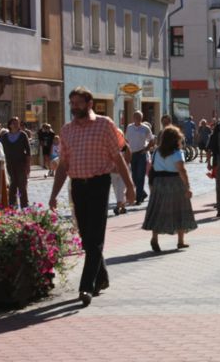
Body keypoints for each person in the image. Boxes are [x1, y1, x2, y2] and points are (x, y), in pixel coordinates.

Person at [49, 86, 135, 307]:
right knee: (87, 237)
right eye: (72, 103)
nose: (73, 106)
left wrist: (130, 186)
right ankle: (102, 277)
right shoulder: (67, 130)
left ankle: (85, 287)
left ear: (89, 104)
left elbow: (118, 158)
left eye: (78, 103)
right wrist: (53, 194)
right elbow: (63, 165)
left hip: (99, 184)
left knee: (95, 236)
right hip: (77, 185)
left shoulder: (104, 124)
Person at [142, 126, 197, 251]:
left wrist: (151, 184)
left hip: (159, 182)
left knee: (158, 209)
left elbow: (153, 169)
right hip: (175, 182)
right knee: (180, 209)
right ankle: (180, 241)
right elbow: (182, 170)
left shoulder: (156, 151)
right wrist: (187, 186)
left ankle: (155, 238)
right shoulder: (178, 153)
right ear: (174, 139)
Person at [1, 116, 31, 209]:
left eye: (18, 123)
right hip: (9, 164)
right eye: (14, 123)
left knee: (22, 185)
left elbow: (28, 152)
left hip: (21, 164)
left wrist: (28, 166)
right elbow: (1, 150)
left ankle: (24, 206)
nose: (16, 124)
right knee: (12, 185)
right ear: (10, 125)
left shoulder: (23, 135)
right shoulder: (5, 137)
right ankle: (12, 205)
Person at [126, 110, 154, 205]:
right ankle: (142, 193)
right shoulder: (129, 127)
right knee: (134, 177)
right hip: (132, 154)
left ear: (142, 118)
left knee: (140, 176)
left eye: (139, 117)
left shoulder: (145, 128)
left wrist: (146, 149)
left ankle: (138, 198)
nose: (137, 119)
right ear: (133, 118)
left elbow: (152, 140)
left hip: (141, 154)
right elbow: (126, 140)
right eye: (136, 117)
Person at [111, 129, 132, 215]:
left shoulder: (126, 147)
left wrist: (120, 168)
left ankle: (118, 206)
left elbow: (127, 160)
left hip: (123, 172)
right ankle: (122, 206)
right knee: (116, 190)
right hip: (113, 172)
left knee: (121, 189)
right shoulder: (110, 147)